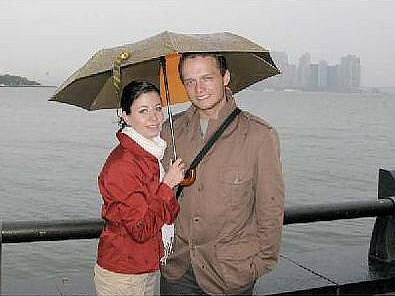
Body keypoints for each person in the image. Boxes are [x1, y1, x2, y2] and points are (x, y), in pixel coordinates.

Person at [160, 53, 285, 295]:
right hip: (178, 270)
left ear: (225, 77)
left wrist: (259, 264)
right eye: (190, 81)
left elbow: (270, 207)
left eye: (207, 78)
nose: (199, 89)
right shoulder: (170, 132)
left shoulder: (260, 136)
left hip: (231, 274)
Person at [94, 80, 186, 296]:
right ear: (126, 116)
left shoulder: (151, 156)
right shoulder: (123, 164)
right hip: (123, 273)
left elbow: (166, 214)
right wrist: (167, 185)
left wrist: (171, 183)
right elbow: (140, 228)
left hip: (146, 265)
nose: (154, 118)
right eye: (143, 111)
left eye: (157, 108)